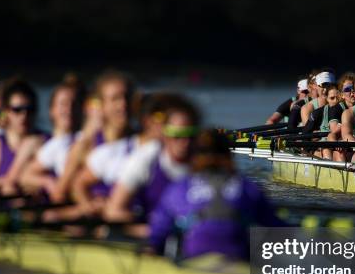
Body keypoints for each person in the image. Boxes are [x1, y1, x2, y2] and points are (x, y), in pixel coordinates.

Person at [149, 129, 285, 261]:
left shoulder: (179, 188)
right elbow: (278, 230)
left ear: (195, 156)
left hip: (192, 264)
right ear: (229, 155)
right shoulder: (248, 187)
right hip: (237, 265)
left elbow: (158, 233)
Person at [71, 93, 176, 217]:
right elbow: (78, 184)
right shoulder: (113, 152)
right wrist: (88, 206)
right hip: (120, 226)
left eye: (171, 120)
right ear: (147, 120)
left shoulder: (179, 157)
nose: (168, 125)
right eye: (162, 118)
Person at [103, 95, 200, 225]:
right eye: (177, 135)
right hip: (149, 236)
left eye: (191, 134)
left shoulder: (206, 161)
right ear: (165, 134)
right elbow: (113, 211)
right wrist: (154, 230)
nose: (185, 142)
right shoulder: (146, 158)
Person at [53, 70, 135, 203]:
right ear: (102, 106)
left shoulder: (140, 141)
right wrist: (89, 202)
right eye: (115, 99)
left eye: (126, 97)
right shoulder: (85, 146)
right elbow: (59, 194)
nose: (123, 104)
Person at [18, 75, 86, 196]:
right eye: (63, 104)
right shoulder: (44, 143)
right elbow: (22, 177)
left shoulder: (88, 138)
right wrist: (47, 182)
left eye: (74, 104)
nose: (69, 109)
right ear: (52, 110)